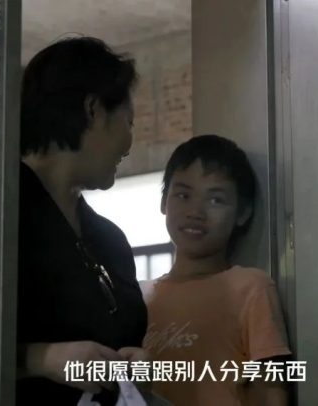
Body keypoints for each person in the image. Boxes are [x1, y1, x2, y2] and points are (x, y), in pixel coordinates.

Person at [16, 36, 148, 405]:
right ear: (93, 110)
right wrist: (41, 359)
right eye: (128, 121)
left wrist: (136, 369)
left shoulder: (110, 240)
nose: (129, 143)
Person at [142, 135, 291, 405]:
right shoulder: (142, 298)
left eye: (215, 200)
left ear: (243, 213)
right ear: (164, 202)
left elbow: (271, 390)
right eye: (183, 195)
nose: (195, 212)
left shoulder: (251, 289)